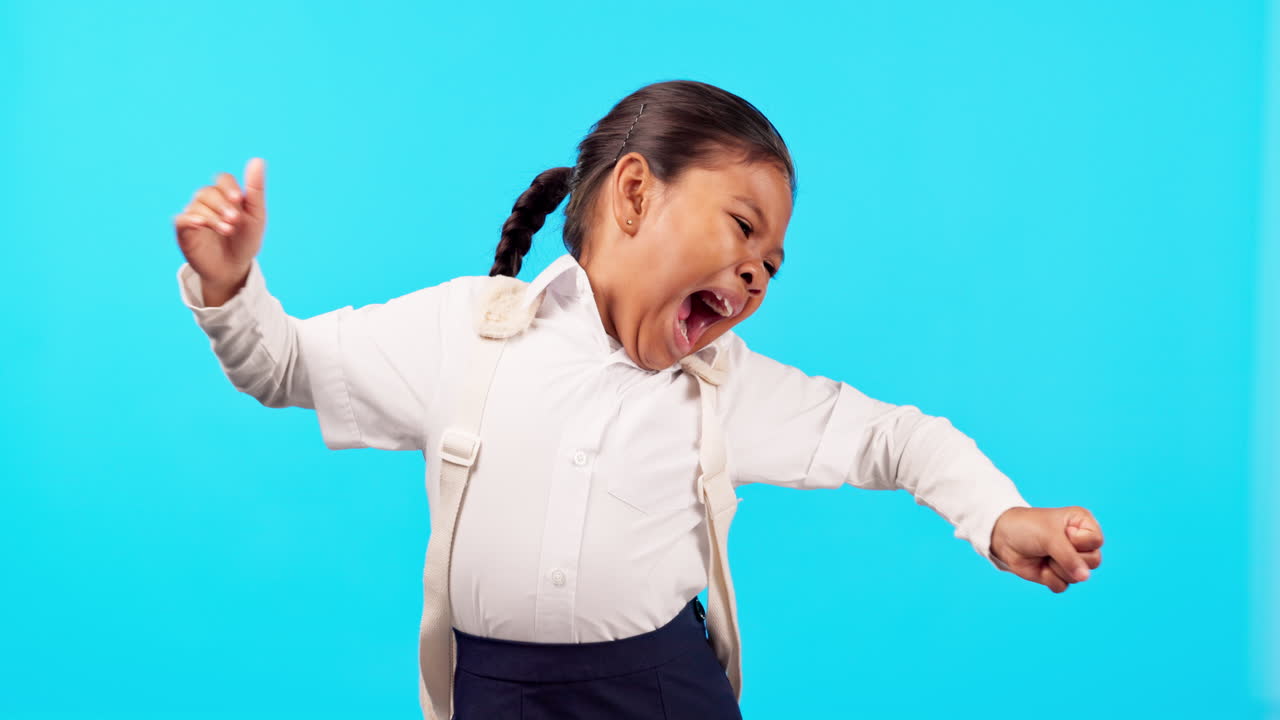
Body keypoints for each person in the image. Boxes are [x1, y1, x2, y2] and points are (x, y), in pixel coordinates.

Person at [173, 80, 1105, 720]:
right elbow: (283, 366)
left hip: (661, 688)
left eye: (771, 264)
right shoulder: (465, 330)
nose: (755, 271)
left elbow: (894, 440)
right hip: (495, 693)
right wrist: (230, 284)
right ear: (632, 194)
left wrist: (997, 514)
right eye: (743, 227)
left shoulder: (724, 390)